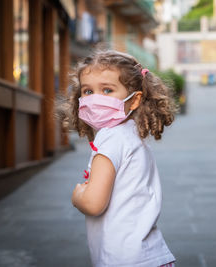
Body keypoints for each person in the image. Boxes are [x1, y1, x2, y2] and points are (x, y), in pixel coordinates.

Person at [69, 49, 177, 267]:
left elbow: (93, 203)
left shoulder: (110, 139)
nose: (96, 98)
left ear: (134, 99)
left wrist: (78, 195)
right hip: (146, 255)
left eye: (107, 90)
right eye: (88, 91)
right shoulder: (130, 134)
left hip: (124, 260)